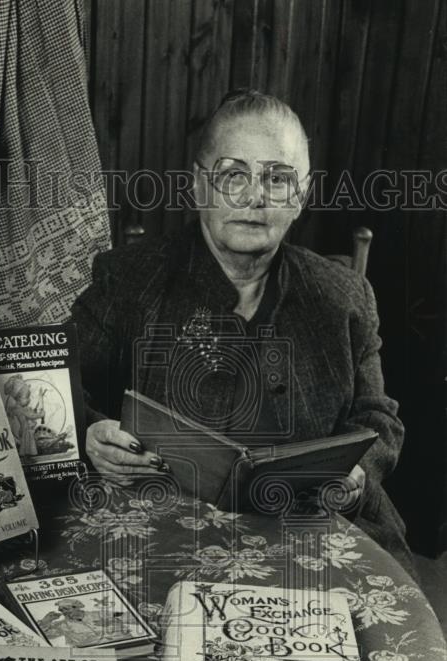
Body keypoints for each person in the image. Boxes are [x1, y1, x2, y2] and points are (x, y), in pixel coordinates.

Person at [71, 89, 411, 570]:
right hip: (165, 534)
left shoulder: (345, 296)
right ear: (198, 185)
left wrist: (358, 471)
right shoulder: (130, 280)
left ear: (301, 196)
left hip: (315, 534)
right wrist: (91, 433)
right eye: (233, 175)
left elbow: (379, 416)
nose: (255, 196)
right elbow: (59, 383)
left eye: (277, 178)